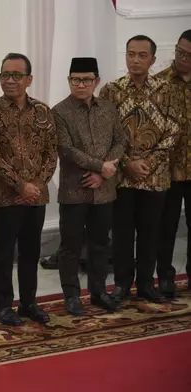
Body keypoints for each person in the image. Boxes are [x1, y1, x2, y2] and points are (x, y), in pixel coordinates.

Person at [99, 35, 181, 304]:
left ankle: (147, 284)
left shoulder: (167, 90)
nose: (135, 59)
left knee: (151, 232)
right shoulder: (111, 91)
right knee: (122, 232)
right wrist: (127, 163)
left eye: (142, 55)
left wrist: (149, 163)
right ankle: (122, 284)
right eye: (130, 54)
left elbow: (173, 131)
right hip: (122, 176)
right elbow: (106, 134)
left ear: (153, 60)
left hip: (154, 176)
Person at [0, 53, 58, 327]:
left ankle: (28, 302)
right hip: (5, 197)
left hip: (36, 196)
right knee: (4, 253)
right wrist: (20, 186)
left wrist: (36, 186)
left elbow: (51, 154)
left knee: (30, 252)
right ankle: (2, 306)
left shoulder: (43, 112)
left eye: (16, 75)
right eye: (5, 75)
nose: (9, 80)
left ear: (29, 80)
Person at [53, 57, 127, 315]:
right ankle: (71, 296)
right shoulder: (59, 112)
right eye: (75, 79)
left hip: (104, 190)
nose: (80, 84)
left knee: (100, 243)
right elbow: (66, 149)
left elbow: (121, 141)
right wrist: (100, 167)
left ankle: (98, 292)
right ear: (69, 81)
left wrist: (105, 172)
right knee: (70, 246)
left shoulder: (108, 108)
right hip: (75, 190)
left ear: (96, 81)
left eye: (86, 80)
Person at [156, 29, 191, 297]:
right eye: (179, 52)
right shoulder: (159, 84)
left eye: (188, 55)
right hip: (166, 170)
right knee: (165, 227)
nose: (181, 58)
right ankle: (165, 276)